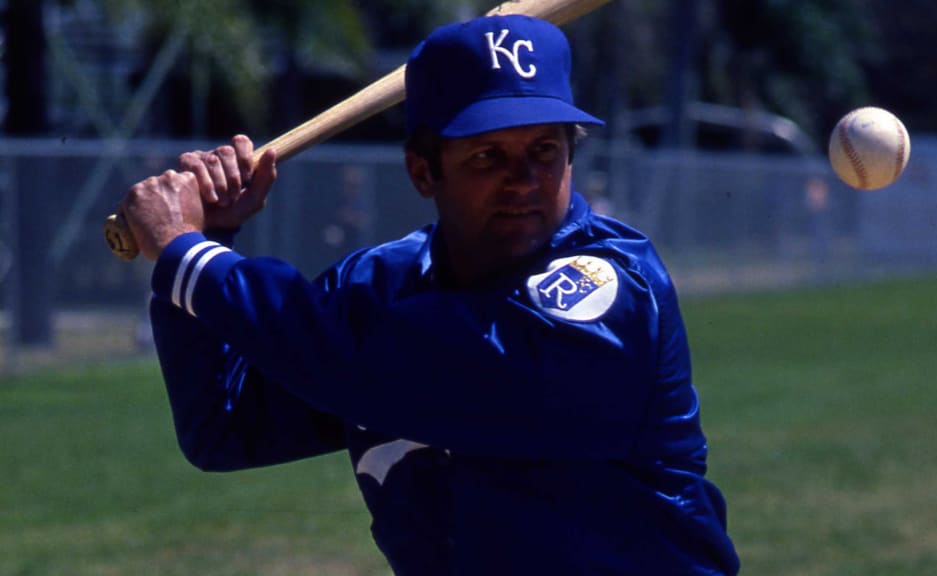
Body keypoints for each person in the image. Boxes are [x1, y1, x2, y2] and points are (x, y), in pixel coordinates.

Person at [119, 14, 740, 575]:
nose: (523, 180)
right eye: (488, 155)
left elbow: (375, 364)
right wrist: (209, 237)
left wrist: (189, 256)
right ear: (423, 171)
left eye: (545, 150)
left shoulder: (609, 292)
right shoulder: (376, 286)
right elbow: (226, 426)